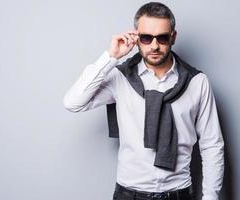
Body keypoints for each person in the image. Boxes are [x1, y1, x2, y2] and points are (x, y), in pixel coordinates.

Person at [63, 2, 224, 200]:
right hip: (128, 194)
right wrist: (111, 57)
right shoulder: (120, 78)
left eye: (162, 38)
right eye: (146, 38)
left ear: (173, 37)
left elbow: (212, 145)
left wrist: (210, 198)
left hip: (178, 194)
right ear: (137, 38)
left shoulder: (197, 82)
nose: (154, 46)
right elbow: (73, 102)